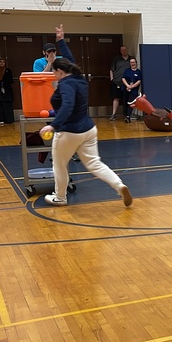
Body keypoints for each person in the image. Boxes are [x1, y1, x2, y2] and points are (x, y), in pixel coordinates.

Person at [39, 24, 133, 207]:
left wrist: (53, 124)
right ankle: (119, 185)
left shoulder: (65, 85)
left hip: (69, 132)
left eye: (54, 72)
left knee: (58, 165)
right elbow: (71, 59)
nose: (53, 75)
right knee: (95, 164)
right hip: (88, 130)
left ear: (59, 71)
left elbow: (67, 105)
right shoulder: (78, 78)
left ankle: (60, 197)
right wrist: (61, 41)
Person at [110, 45, 132, 121]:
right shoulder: (117, 59)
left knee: (127, 99)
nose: (124, 51)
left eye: (125, 50)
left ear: (127, 50)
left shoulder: (131, 59)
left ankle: (127, 115)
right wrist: (112, 79)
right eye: (122, 50)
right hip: (117, 82)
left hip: (127, 83)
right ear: (120, 51)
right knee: (116, 98)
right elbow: (111, 69)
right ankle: (113, 114)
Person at [121, 57, 143, 122]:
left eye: (133, 62)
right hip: (126, 89)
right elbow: (123, 78)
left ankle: (128, 116)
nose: (132, 63)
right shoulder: (127, 71)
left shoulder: (138, 72)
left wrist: (132, 86)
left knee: (130, 103)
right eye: (131, 62)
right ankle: (125, 115)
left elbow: (139, 81)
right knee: (125, 102)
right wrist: (127, 86)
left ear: (136, 63)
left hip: (134, 90)